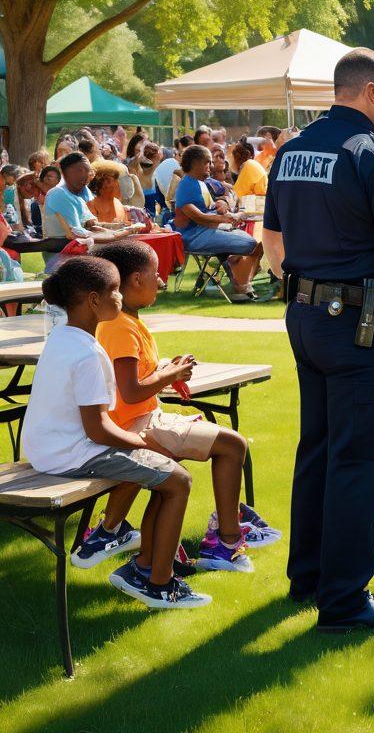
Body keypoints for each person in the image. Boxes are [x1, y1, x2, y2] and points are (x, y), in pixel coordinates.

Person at [261, 47, 374, 633]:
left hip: (306, 316)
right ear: (369, 93)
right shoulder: (373, 155)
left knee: (318, 450)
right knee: (357, 461)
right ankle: (345, 601)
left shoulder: (289, 152)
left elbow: (272, 243)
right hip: (358, 324)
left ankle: (307, 577)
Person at [21, 256, 210, 608]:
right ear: (94, 300)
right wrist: (142, 441)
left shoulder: (62, 338)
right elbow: (99, 428)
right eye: (114, 292)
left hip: (48, 448)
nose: (120, 297)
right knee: (178, 481)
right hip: (73, 454)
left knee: (164, 473)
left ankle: (132, 551)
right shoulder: (88, 354)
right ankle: (158, 584)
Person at [92, 240, 280, 574]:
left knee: (178, 478)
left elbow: (132, 380)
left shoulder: (127, 322)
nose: (162, 280)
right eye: (156, 272)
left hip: (142, 420)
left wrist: (165, 370)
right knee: (232, 445)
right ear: (135, 280)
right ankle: (225, 540)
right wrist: (170, 375)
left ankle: (154, 557)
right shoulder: (120, 326)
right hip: (137, 426)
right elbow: (131, 392)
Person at [174, 144, 263, 302]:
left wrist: (222, 205)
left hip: (208, 231)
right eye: (207, 162)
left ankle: (240, 283)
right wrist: (228, 218)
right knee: (251, 243)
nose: (211, 166)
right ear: (195, 163)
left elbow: (221, 199)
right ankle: (239, 283)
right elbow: (199, 217)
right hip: (195, 236)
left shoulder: (202, 182)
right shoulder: (186, 186)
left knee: (258, 245)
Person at [43, 152, 143, 245]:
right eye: (80, 170)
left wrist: (121, 228)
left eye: (88, 171)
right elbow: (76, 235)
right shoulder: (58, 194)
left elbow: (92, 225)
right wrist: (121, 233)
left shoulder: (80, 195)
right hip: (63, 257)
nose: (87, 175)